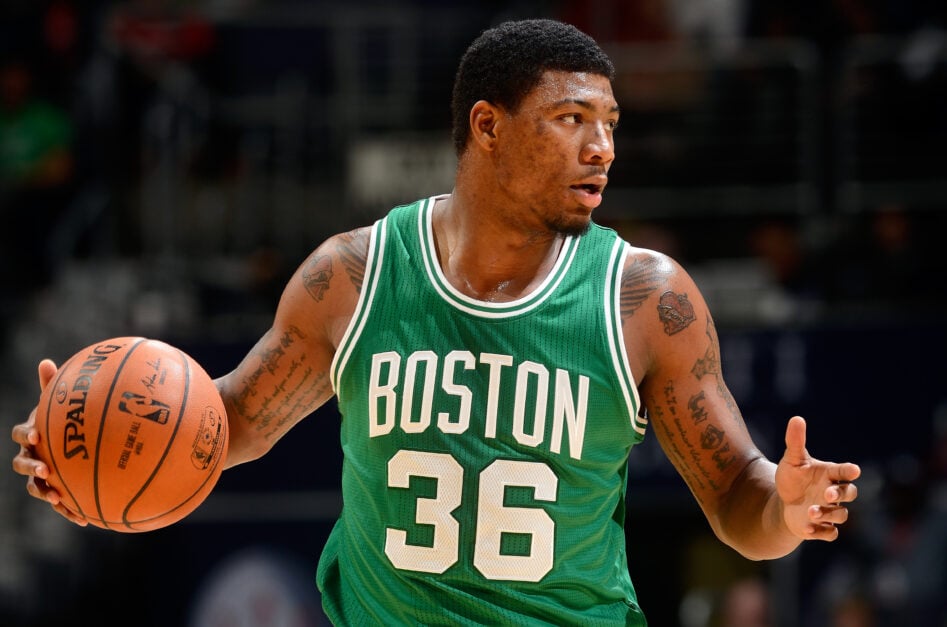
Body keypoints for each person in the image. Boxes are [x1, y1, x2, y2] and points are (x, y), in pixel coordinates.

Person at [11, 18, 861, 625]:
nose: (601, 148)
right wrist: (86, 452)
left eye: (609, 126)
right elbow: (224, 421)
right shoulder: (352, 275)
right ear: (486, 127)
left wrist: (788, 509)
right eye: (571, 121)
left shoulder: (647, 301)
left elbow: (737, 500)